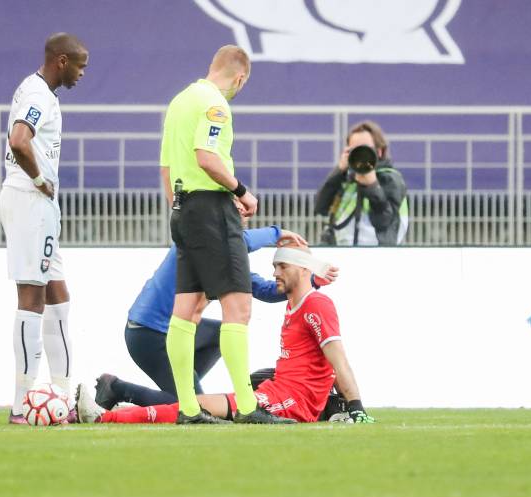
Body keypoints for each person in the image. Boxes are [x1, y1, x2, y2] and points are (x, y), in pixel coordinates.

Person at [75, 246, 374, 425]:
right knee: (193, 403)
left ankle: (105, 415)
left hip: (287, 400)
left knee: (192, 407)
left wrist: (356, 407)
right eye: (274, 266)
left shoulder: (315, 304)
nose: (275, 273)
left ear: (304, 268)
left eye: (282, 265)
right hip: (279, 390)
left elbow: (337, 359)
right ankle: (115, 404)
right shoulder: (299, 305)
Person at [162, 45, 286, 424]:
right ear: (240, 78)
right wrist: (240, 191)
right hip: (211, 210)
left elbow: (167, 168)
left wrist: (183, 208)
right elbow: (207, 155)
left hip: (183, 209)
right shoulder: (216, 105)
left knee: (188, 309)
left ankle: (187, 408)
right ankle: (249, 409)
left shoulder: (180, 101)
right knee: (238, 307)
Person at [93, 225, 327, 408]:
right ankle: (117, 388)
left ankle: (184, 391)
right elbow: (239, 240)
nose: (243, 215)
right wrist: (276, 233)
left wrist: (312, 281)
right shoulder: (203, 236)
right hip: (148, 333)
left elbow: (265, 290)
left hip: (162, 329)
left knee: (217, 337)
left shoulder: (224, 254)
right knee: (194, 407)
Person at [0, 33, 88, 424]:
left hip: (41, 206)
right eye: (81, 66)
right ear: (62, 61)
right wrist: (37, 180)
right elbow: (19, 140)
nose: (83, 74)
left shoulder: (40, 92)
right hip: (29, 201)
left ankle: (62, 396)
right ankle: (21, 404)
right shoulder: (37, 95)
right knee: (32, 298)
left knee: (59, 297)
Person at [315, 120, 409, 246]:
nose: (361, 154)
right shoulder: (348, 179)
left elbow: (385, 223)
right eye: (355, 150)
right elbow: (320, 207)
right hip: (342, 252)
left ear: (379, 151)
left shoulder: (390, 179)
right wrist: (338, 171)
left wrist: (372, 186)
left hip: (376, 256)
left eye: (365, 149)